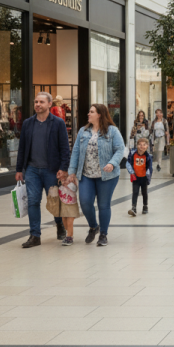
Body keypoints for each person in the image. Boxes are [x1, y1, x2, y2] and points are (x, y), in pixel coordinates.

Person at [15, 92, 70, 248]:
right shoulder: (27, 123)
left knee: (53, 201)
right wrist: (19, 169)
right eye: (36, 102)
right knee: (33, 201)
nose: (37, 104)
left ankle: (59, 223)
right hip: (32, 169)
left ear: (49, 104)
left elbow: (65, 148)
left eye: (41, 102)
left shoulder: (58, 123)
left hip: (51, 170)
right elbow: (22, 148)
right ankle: (34, 235)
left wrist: (63, 168)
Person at [67, 104, 125, 247]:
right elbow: (75, 152)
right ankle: (94, 226)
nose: (88, 114)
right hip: (86, 174)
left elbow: (120, 149)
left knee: (103, 204)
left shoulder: (112, 131)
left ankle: (103, 235)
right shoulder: (83, 131)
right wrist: (71, 172)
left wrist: (112, 163)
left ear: (99, 114)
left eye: (91, 111)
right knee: (85, 202)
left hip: (107, 175)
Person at [126, 137, 152, 216]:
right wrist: (132, 172)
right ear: (137, 146)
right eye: (140, 145)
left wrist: (148, 177)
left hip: (144, 178)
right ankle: (134, 207)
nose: (142, 147)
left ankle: (145, 206)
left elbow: (150, 168)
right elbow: (128, 163)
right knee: (135, 192)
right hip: (136, 177)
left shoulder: (148, 156)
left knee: (144, 193)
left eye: (144, 145)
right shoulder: (133, 154)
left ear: (147, 146)